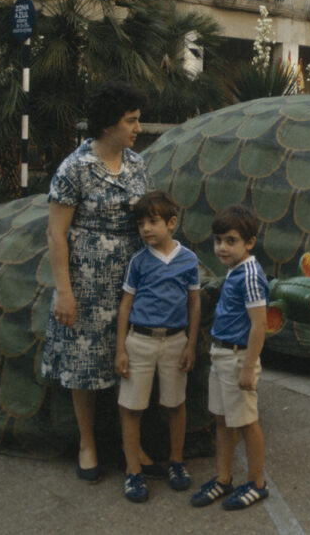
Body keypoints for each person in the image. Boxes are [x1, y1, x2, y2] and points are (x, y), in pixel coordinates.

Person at [42, 81, 153, 483]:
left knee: (131, 358)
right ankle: (87, 444)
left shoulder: (137, 165)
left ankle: (130, 444)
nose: (137, 128)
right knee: (85, 365)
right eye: (131, 121)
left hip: (131, 280)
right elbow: (56, 234)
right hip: (87, 284)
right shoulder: (75, 168)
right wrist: (65, 292)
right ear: (108, 125)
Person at [115, 190, 201, 503]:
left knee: (175, 404)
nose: (146, 229)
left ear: (171, 222)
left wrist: (191, 345)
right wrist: (121, 349)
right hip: (140, 341)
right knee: (132, 407)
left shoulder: (189, 259)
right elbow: (126, 304)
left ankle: (176, 462)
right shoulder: (138, 262)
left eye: (153, 221)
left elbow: (194, 304)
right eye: (141, 224)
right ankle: (133, 471)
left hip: (176, 341)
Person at [192, 204, 270, 510]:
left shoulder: (250, 274)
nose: (222, 247)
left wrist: (248, 367)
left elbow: (259, 324)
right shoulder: (235, 268)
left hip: (238, 358)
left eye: (231, 241)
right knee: (223, 421)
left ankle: (257, 483)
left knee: (247, 423)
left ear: (249, 242)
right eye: (218, 240)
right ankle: (223, 478)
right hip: (221, 354)